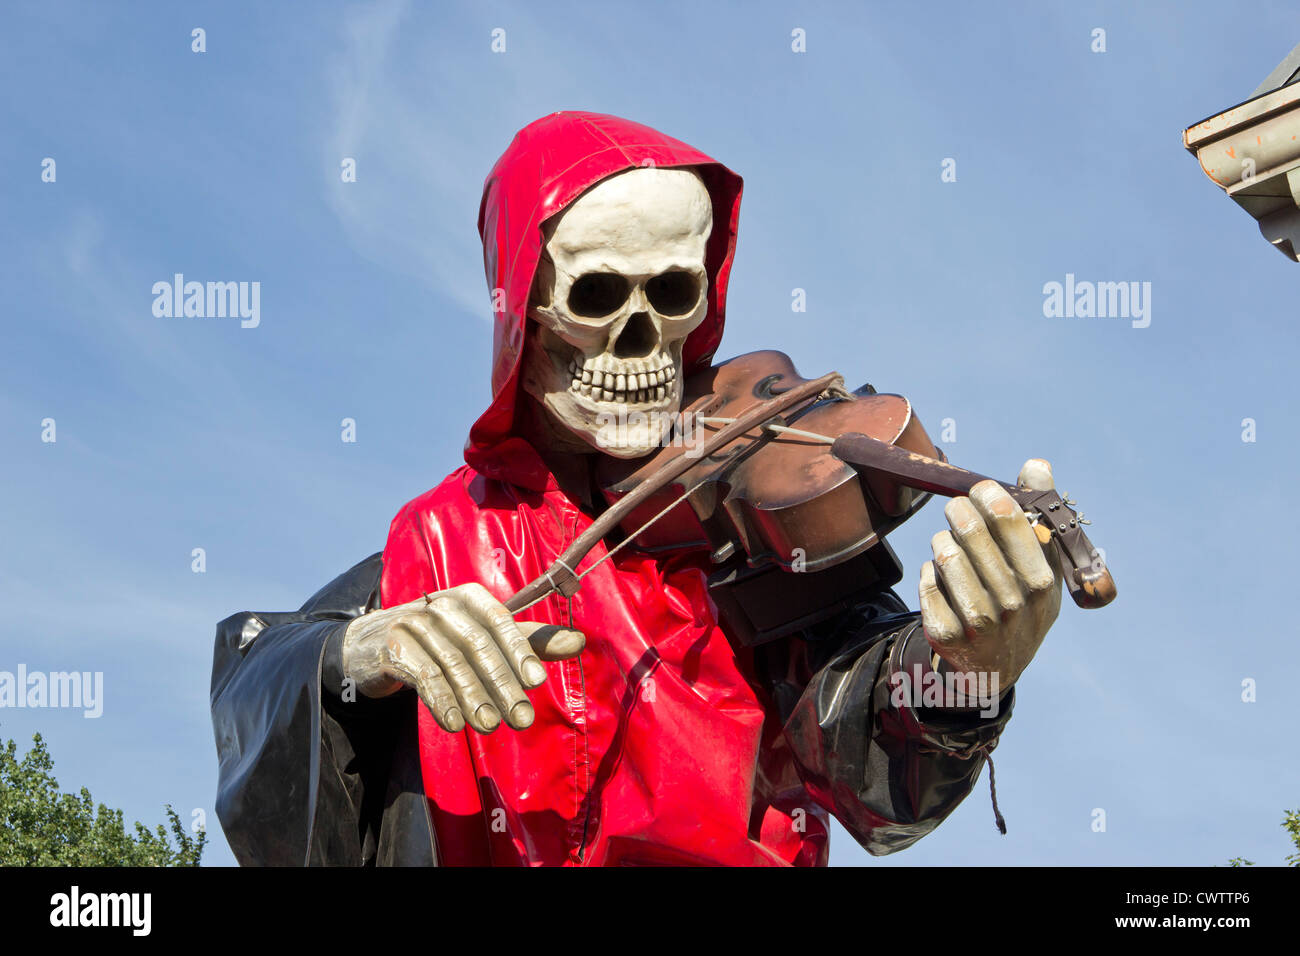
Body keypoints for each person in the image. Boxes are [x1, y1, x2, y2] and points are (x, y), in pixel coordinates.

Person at [211, 111, 1063, 866]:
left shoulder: (744, 536)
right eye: (597, 295)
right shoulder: (435, 540)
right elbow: (256, 681)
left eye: (673, 292)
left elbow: (858, 732)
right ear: (526, 313)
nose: (641, 337)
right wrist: (359, 654)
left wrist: (963, 674)